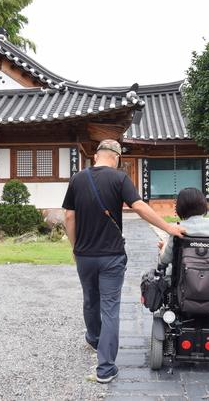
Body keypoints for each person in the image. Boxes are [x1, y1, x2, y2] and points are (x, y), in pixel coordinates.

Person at [62, 139, 186, 383]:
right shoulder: (119, 179)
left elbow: (68, 216)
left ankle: (95, 339)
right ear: (116, 157)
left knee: (90, 299)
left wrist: (75, 247)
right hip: (111, 257)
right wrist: (168, 227)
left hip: (85, 256)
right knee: (110, 308)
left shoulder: (77, 179)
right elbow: (139, 206)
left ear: (96, 155)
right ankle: (105, 367)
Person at [157, 187, 209, 273]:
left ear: (180, 208)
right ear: (203, 204)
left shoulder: (178, 228)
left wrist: (163, 247)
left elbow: (165, 259)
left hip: (182, 282)